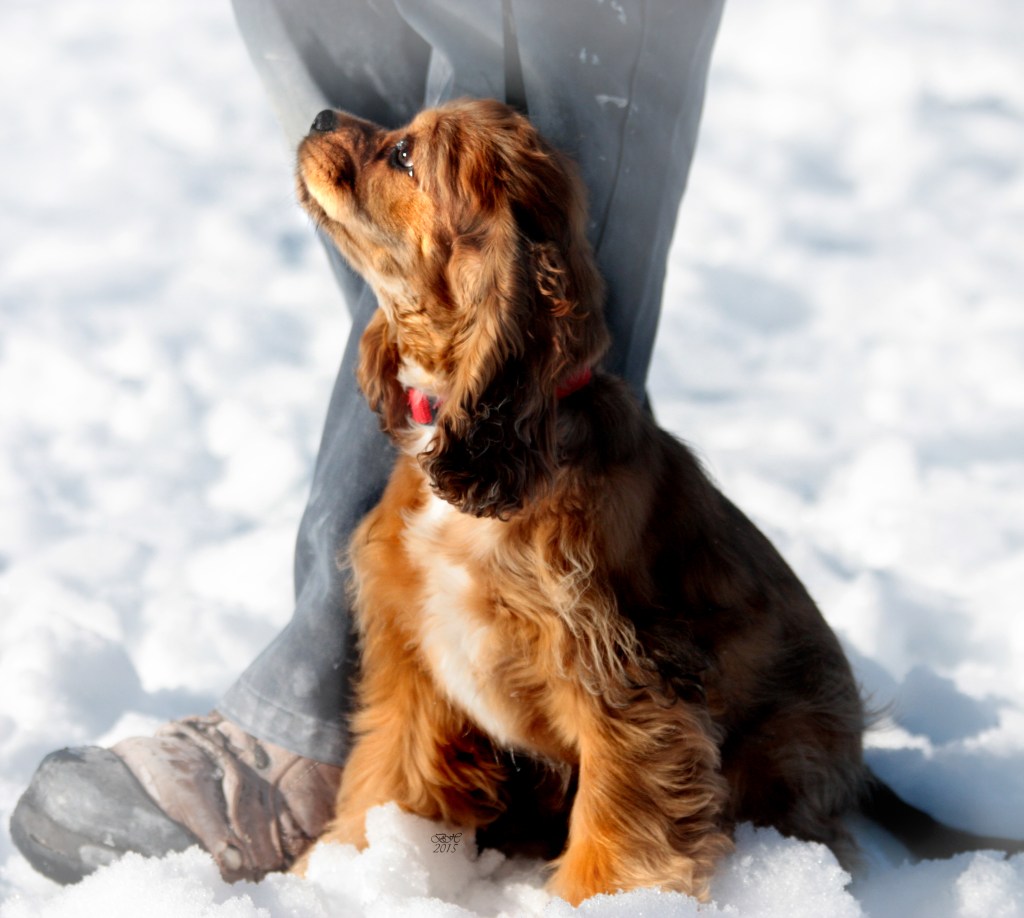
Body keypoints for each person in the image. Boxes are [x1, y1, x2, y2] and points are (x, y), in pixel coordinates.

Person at [10, 0, 724, 885]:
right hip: (455, 411)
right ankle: (434, 740)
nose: (342, 140)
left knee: (536, 55)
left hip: (556, 485)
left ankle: (319, 713)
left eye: (396, 154)